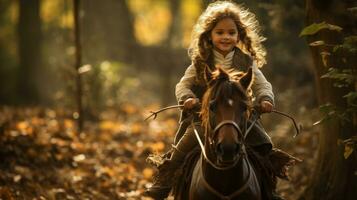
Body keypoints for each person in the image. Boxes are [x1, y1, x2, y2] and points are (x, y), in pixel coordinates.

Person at [145, 1, 281, 199]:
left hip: (240, 117)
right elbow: (182, 85)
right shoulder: (201, 61)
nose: (226, 37)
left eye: (231, 32)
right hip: (206, 118)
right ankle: (164, 182)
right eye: (220, 32)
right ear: (209, 34)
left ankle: (270, 190)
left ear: (239, 35)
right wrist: (188, 98)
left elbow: (262, 84)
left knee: (265, 146)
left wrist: (265, 98)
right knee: (184, 147)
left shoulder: (246, 61)